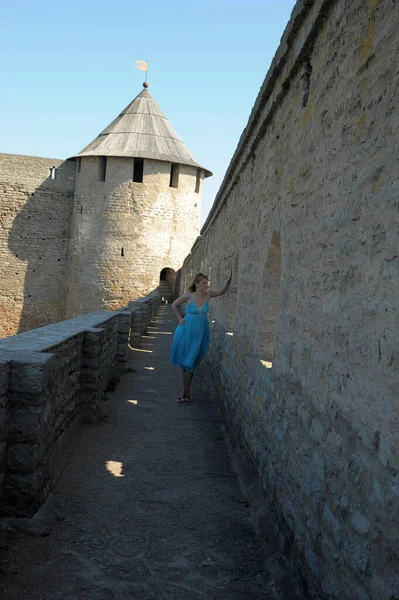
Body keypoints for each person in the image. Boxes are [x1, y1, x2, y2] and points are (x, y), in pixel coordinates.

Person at [170, 271, 231, 404]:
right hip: (185, 331)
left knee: (192, 361)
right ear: (196, 284)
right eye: (203, 283)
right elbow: (174, 304)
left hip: (200, 333)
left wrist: (228, 281)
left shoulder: (208, 295)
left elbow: (222, 291)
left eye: (207, 283)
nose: (206, 286)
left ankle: (187, 390)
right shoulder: (188, 296)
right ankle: (183, 391)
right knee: (182, 360)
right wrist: (180, 319)